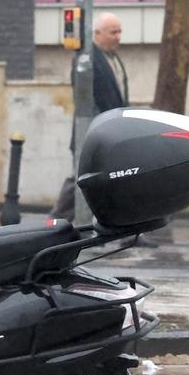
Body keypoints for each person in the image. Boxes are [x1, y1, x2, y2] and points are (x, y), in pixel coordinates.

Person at [50, 11, 129, 221]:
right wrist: (101, 130)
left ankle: (122, 228)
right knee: (80, 178)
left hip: (112, 134)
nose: (118, 36)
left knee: (116, 179)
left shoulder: (111, 58)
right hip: (95, 134)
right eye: (113, 32)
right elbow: (86, 100)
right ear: (97, 33)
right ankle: (56, 222)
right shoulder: (86, 58)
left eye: (120, 31)